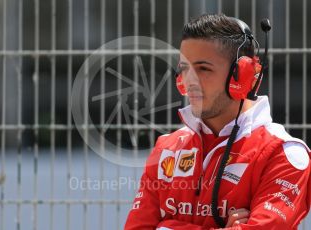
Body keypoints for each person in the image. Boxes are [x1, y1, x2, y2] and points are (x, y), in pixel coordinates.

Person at [124, 14, 311, 229]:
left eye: (203, 69)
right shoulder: (166, 147)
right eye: (184, 69)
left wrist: (167, 227)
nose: (189, 81)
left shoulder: (283, 154)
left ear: (243, 75)